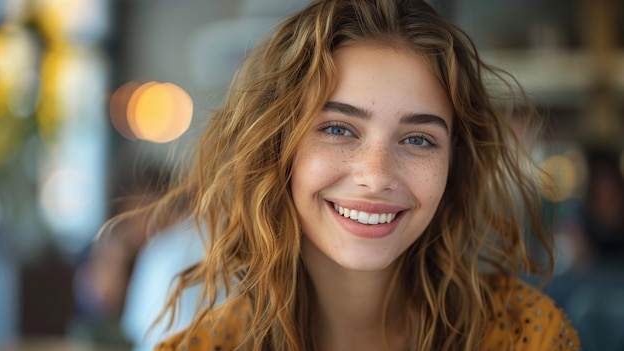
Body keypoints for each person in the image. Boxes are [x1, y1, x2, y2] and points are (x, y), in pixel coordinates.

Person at [115, 0, 581, 349]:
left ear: (453, 164)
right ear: (277, 147)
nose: (376, 175)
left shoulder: (527, 336)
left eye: (418, 139)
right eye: (338, 129)